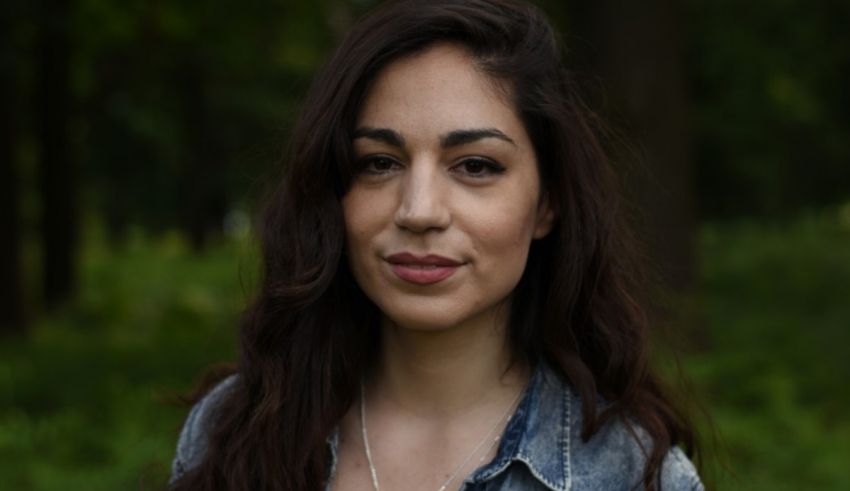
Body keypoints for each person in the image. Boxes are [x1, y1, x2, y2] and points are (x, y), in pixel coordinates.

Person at [168, 0, 704, 490]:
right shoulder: (233, 432)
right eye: (379, 163)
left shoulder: (633, 473)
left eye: (475, 166)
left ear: (547, 203)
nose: (418, 210)